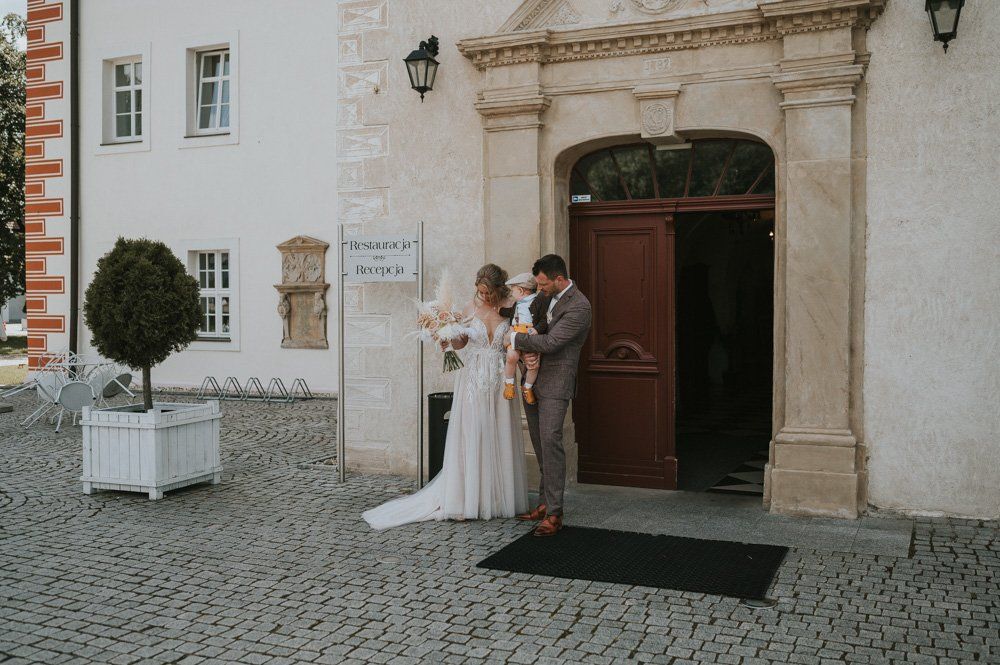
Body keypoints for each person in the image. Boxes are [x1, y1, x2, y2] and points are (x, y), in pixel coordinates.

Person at [362, 264, 529, 530]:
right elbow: (462, 342)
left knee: (498, 430)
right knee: (472, 432)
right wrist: (446, 337)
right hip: (472, 378)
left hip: (500, 378)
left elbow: (518, 338)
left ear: (499, 289)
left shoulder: (512, 307)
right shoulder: (469, 308)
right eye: (480, 291)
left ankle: (496, 497)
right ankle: (467, 498)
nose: (484, 296)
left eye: (488, 292)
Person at [508, 254, 592, 537]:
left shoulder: (579, 306)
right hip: (531, 378)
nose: (539, 289)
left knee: (551, 441)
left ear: (559, 279)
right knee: (539, 442)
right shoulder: (544, 296)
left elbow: (553, 342)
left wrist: (515, 339)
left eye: (543, 284)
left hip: (557, 382)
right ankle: (544, 504)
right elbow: (528, 319)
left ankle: (555, 513)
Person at [499, 272, 549, 405]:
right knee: (511, 356)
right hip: (515, 333)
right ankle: (509, 384)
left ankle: (527, 387)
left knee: (533, 365)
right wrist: (499, 310)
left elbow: (544, 320)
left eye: (513, 290)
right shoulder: (517, 304)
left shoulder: (537, 302)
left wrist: (537, 329)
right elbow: (510, 312)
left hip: (529, 337)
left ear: (521, 291)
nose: (511, 293)